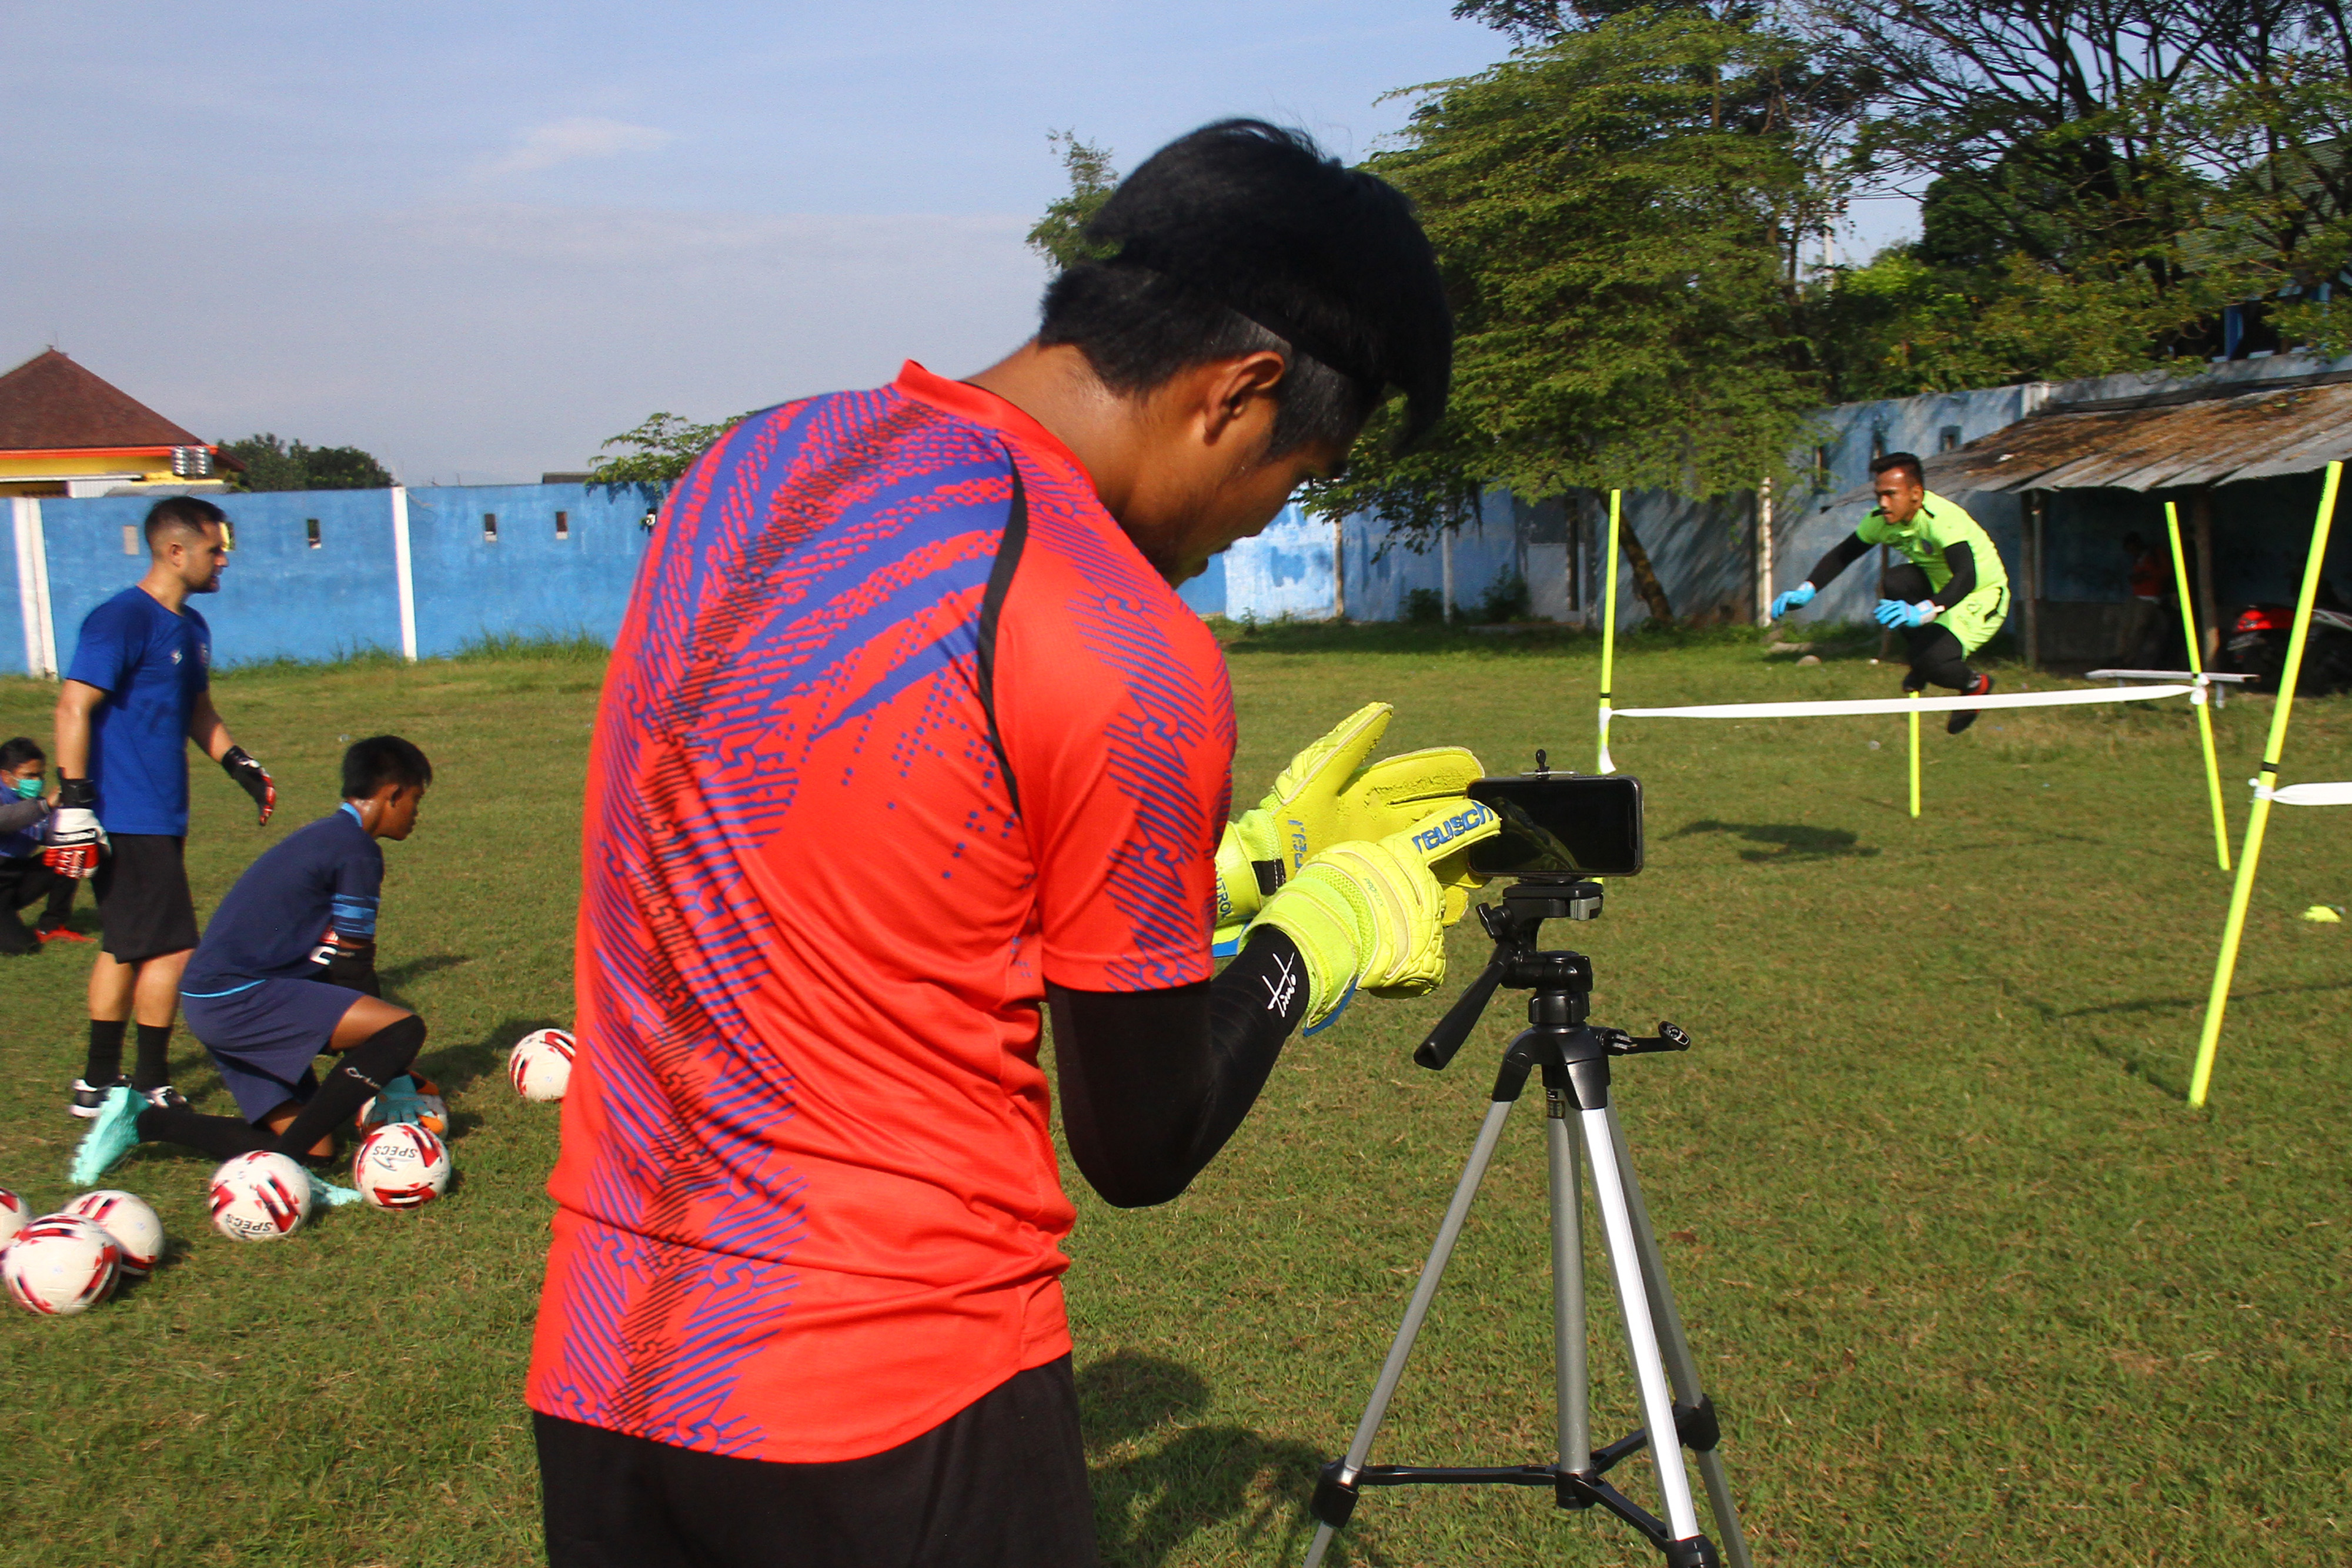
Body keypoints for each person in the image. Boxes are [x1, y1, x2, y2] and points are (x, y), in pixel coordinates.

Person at [527, 120, 1489, 1568]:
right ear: (1242, 391)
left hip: (608, 1372)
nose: (1258, 520)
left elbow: (849, 841)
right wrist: (1317, 937)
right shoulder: (1122, 638)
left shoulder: (750, 467)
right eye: (1302, 469)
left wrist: (1216, 873)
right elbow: (1138, 1142)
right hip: (898, 1402)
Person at [69, 735, 435, 1199]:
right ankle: (285, 1171)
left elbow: (342, 971)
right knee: (402, 1031)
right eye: (417, 800)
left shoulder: (326, 835)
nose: (417, 813)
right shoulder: (357, 849)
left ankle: (143, 1121)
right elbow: (353, 968)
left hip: (213, 998)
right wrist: (394, 1072)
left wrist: (381, 1060)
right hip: (239, 997)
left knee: (317, 1144)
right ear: (394, 793)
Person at [46, 496, 278, 1116]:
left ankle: (99, 1083)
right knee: (170, 949)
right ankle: (145, 1083)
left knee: (127, 944)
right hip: (124, 813)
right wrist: (74, 803)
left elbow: (197, 712)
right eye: (213, 549)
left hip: (162, 814)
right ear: (176, 552)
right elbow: (73, 706)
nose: (223, 559)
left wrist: (242, 767)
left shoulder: (193, 629)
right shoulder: (120, 619)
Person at [1772, 453, 2013, 733]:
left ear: (1916, 494)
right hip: (1939, 588)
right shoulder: (1881, 520)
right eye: (1878, 495)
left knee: (1933, 662)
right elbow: (1843, 554)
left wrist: (1925, 610)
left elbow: (1966, 578)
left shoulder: (1942, 521)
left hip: (1980, 595)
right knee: (1897, 580)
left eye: (1890, 495)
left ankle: (1975, 685)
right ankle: (1921, 659)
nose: (1883, 503)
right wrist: (1806, 590)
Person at [0, 737, 82, 954]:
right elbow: (5, 820)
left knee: (72, 851)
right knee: (21, 948)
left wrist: (75, 817)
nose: (37, 781)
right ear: (5, 776)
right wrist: (45, 806)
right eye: (30, 776)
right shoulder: (36, 805)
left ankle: (52, 926)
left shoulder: (37, 804)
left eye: (40, 775)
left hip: (16, 879)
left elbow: (54, 836)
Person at [2118, 531, 2169, 667]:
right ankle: (2121, 657)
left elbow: (2166, 572)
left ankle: (2130, 660)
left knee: (2138, 630)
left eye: (2131, 549)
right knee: (2125, 628)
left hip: (2150, 598)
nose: (2131, 552)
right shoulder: (2139, 557)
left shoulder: (2154, 554)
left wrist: (2146, 575)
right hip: (2136, 596)